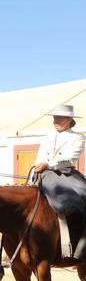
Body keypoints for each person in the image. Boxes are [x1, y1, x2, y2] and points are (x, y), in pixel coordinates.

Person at [34, 104, 86, 259]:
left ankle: (80, 248)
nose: (56, 120)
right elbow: (41, 156)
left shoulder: (78, 137)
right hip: (43, 174)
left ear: (70, 120)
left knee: (80, 201)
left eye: (60, 117)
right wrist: (40, 166)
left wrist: (48, 165)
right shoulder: (47, 136)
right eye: (54, 117)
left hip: (66, 175)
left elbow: (70, 160)